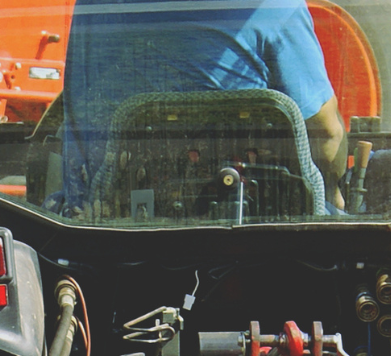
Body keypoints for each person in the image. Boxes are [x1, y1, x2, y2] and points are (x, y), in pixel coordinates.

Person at [54, 0, 347, 213]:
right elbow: (326, 135)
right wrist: (333, 193)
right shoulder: (275, 7)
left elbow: (82, 109)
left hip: (112, 224)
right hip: (251, 227)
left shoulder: (93, 8)